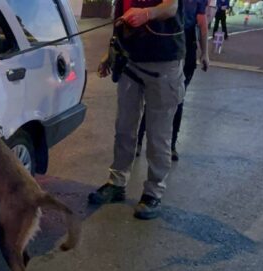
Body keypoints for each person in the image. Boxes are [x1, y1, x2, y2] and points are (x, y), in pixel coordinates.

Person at [90, 0, 186, 219]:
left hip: (164, 63)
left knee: (157, 135)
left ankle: (153, 192)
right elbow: (120, 18)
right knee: (124, 128)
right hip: (130, 62)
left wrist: (147, 13)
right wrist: (110, 52)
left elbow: (171, 6)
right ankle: (117, 183)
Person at [136, 0, 210, 161]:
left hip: (166, 47)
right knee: (177, 99)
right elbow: (202, 24)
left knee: (153, 96)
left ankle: (139, 141)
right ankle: (170, 146)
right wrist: (204, 53)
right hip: (180, 48)